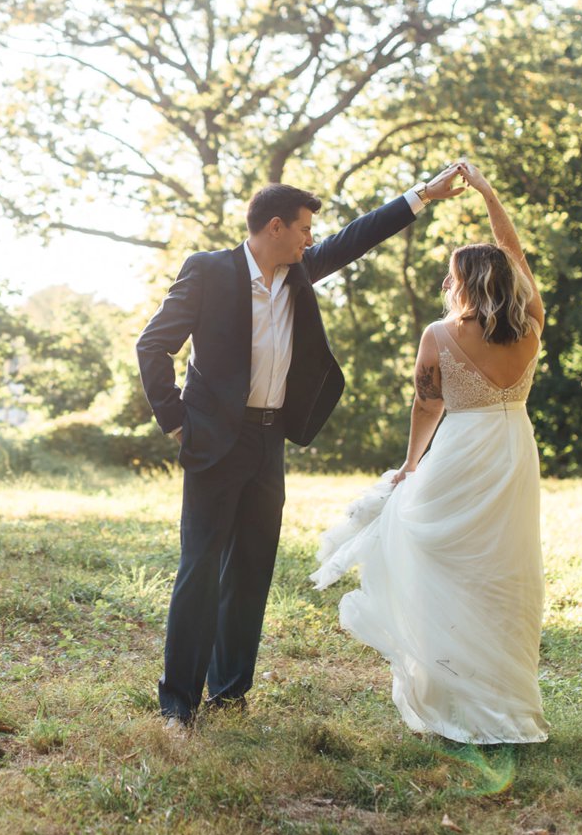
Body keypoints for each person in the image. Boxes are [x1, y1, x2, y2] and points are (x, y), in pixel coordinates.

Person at [136, 165, 467, 727]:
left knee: (252, 569)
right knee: (201, 567)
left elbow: (357, 237)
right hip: (215, 439)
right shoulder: (209, 271)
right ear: (274, 227)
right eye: (305, 228)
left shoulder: (299, 272)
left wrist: (423, 196)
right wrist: (175, 422)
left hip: (269, 440)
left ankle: (232, 693)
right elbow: (153, 344)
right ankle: (178, 704)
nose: (312, 238)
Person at [310, 160, 549, 744]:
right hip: (513, 450)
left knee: (441, 560)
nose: (447, 284)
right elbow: (514, 251)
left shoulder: (439, 336)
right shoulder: (533, 325)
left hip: (460, 450)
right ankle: (505, 701)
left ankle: (445, 686)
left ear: (464, 283)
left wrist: (413, 463)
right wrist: (491, 194)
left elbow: (427, 406)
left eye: (451, 277)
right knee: (503, 570)